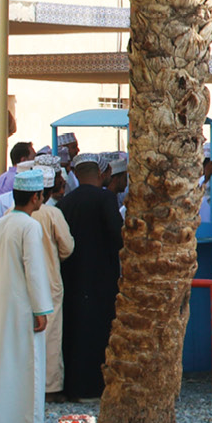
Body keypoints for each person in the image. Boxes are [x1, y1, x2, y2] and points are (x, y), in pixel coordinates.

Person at [0, 170, 55, 423]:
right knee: (27, 359)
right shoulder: (29, 226)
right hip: (23, 302)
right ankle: (28, 417)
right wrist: (41, 308)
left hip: (0, 299)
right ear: (36, 197)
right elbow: (34, 270)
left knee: (1, 358)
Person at [54, 159, 121, 400]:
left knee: (74, 331)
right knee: (99, 332)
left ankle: (74, 386)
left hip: (72, 278)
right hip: (102, 279)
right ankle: (96, 386)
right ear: (103, 173)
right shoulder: (105, 199)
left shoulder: (65, 203)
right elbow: (117, 235)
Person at [26, 171, 74, 395]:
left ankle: (25, 384)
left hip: (22, 281)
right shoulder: (52, 214)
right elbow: (67, 247)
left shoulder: (11, 214)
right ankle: (50, 387)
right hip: (49, 279)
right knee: (51, 334)